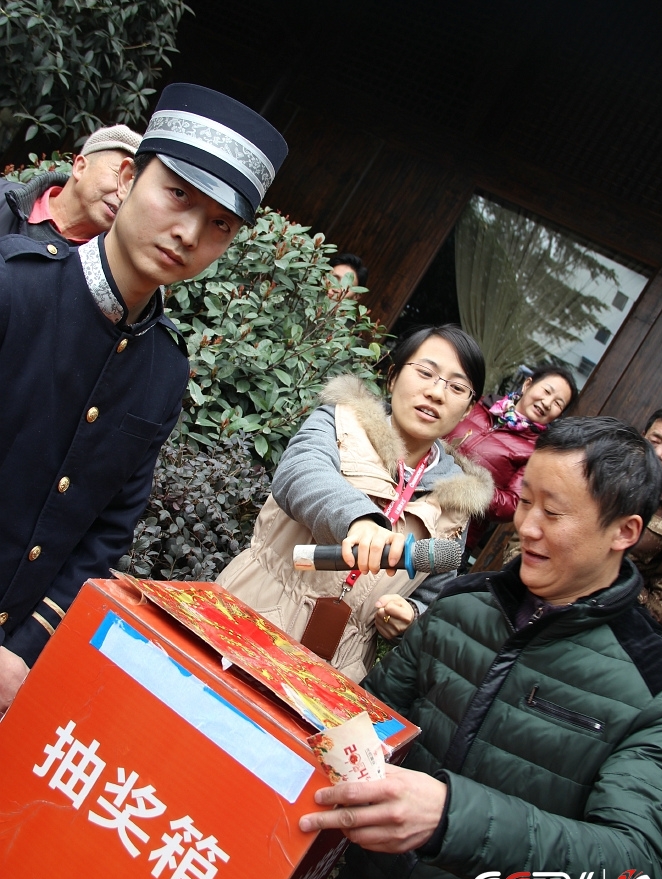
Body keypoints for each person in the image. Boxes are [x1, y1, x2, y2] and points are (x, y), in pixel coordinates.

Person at [299, 415, 662, 879]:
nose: (527, 526)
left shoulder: (652, 685)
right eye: (525, 501)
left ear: (623, 531)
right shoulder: (460, 605)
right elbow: (375, 720)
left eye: (553, 512)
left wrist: (452, 818)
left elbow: (634, 870)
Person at [0, 83, 287, 712]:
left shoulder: (163, 369)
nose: (188, 233)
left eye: (219, 224)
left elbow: (106, 532)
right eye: (178, 194)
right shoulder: (14, 290)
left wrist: (22, 650)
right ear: (127, 179)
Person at [216, 325, 494, 682]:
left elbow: (433, 595)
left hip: (334, 671)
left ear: (468, 408)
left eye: (456, 387)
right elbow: (300, 472)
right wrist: (359, 520)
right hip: (245, 616)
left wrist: (410, 615)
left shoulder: (457, 500)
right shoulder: (339, 423)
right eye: (426, 373)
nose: (436, 393)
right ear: (393, 377)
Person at [449, 364, 578, 548]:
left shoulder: (538, 452)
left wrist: (467, 486)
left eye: (558, 403)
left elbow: (512, 505)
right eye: (547, 391)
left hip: (452, 533)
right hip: (412, 495)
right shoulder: (480, 405)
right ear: (527, 385)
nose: (547, 403)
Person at [0, 124, 142, 243]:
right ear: (80, 167)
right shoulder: (3, 197)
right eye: (120, 176)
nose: (124, 194)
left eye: (135, 190)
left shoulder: (98, 266)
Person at [630, 407, 662, 626]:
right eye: (655, 441)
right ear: (643, 436)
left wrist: (619, 577)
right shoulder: (604, 469)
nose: (660, 453)